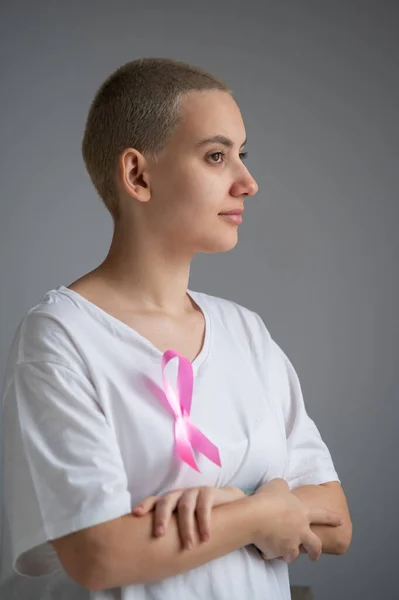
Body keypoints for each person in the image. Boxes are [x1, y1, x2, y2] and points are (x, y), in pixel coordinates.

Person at [1, 57, 352, 600]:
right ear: (138, 175)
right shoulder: (60, 338)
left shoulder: (247, 333)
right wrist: (258, 513)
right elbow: (99, 554)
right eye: (216, 156)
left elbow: (336, 523)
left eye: (242, 154)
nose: (248, 183)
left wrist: (229, 502)